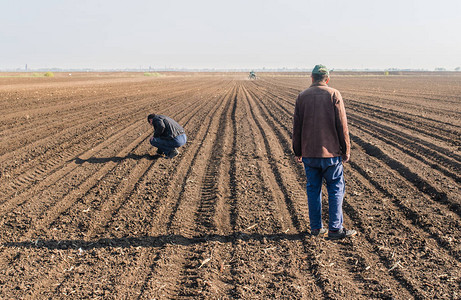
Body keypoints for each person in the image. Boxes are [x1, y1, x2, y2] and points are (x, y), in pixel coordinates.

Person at [292, 64, 357, 239]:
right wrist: (346, 149)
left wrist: (297, 150)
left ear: (311, 78)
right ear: (327, 79)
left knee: (313, 189)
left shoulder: (302, 97)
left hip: (309, 154)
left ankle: (316, 228)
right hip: (331, 154)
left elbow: (297, 127)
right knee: (336, 188)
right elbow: (342, 125)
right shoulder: (334, 94)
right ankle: (335, 229)